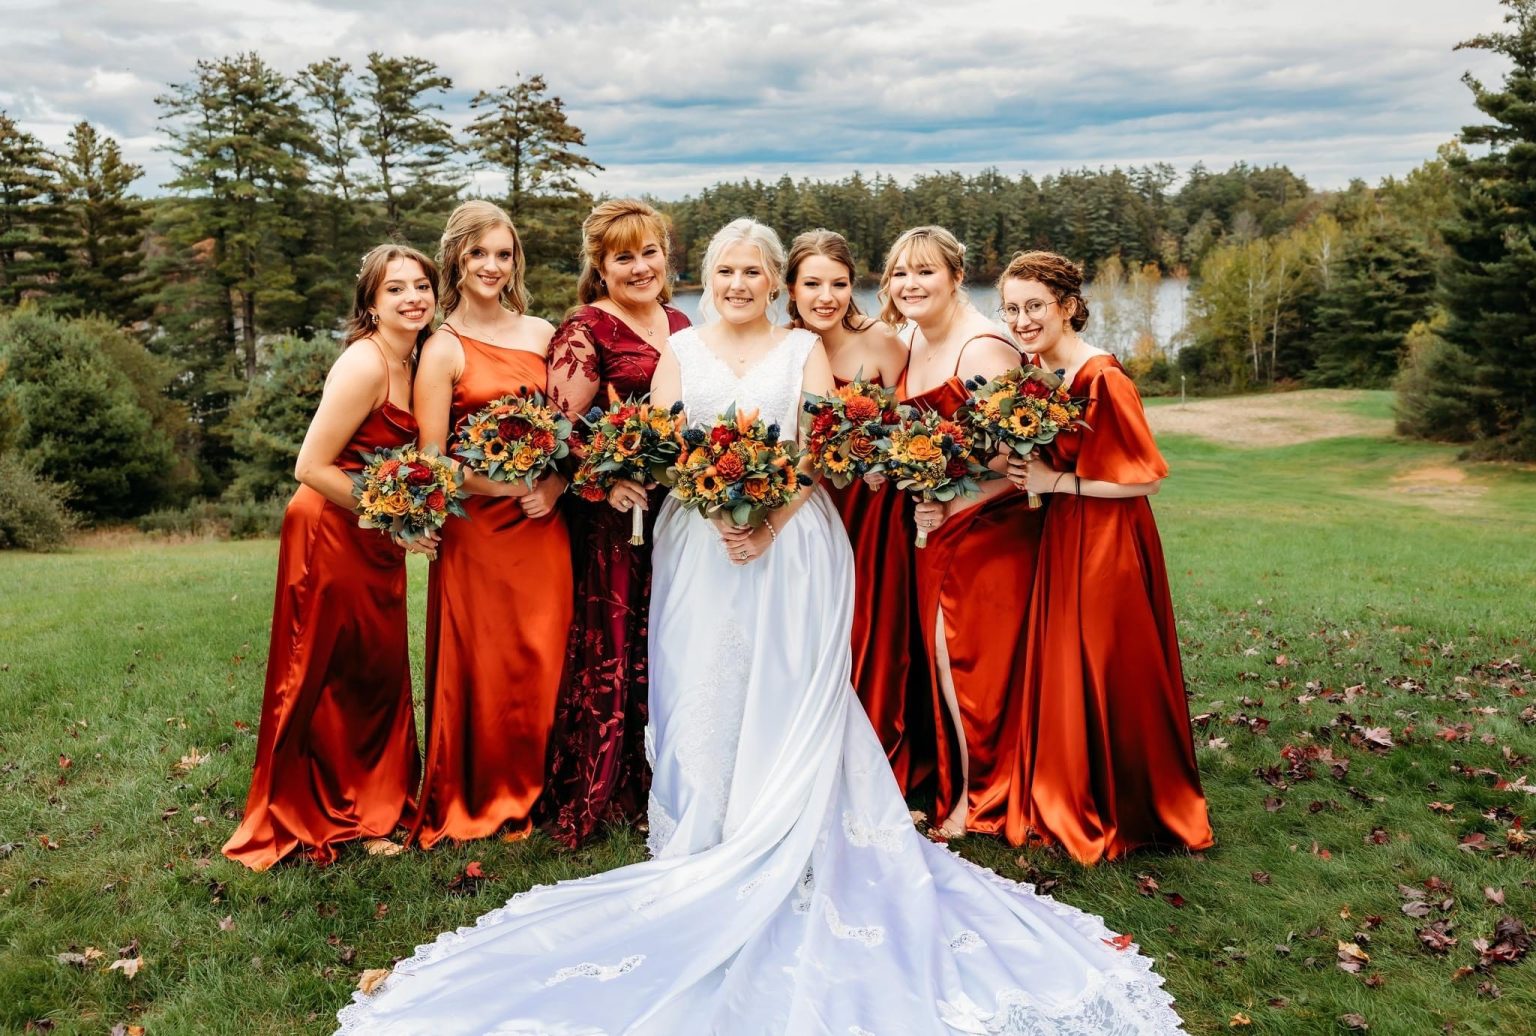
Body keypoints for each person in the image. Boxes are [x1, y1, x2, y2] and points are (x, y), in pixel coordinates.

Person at [336, 220, 1184, 1036]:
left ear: (774, 284)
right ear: (707, 281)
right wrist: (633, 480)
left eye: (753, 272)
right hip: (699, 544)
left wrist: (766, 521)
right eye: (725, 271)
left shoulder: (800, 349)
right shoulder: (680, 351)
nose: (739, 285)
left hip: (791, 543)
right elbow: (660, 445)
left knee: (784, 677)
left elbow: (816, 452)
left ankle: (793, 818)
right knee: (701, 676)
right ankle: (710, 823)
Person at [223, 244, 435, 871]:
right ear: (370, 303)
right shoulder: (364, 365)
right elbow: (310, 467)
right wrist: (395, 516)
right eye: (395, 289)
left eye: (420, 285)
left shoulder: (415, 356)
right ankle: (323, 807)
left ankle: (376, 799)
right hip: (329, 532)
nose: (412, 298)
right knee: (328, 669)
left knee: (375, 670)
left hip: (372, 537)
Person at [1000, 250, 1214, 863]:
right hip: (1066, 533)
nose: (1022, 319)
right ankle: (1073, 793)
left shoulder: (1102, 378)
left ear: (1068, 306)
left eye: (1035, 306)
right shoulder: (1037, 375)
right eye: (1012, 308)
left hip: (1109, 540)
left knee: (1106, 662)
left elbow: (1145, 478)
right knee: (1068, 661)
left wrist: (1054, 482)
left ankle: (1132, 808)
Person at [409, 200, 573, 849]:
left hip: (542, 526)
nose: (492, 266)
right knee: (489, 662)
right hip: (478, 531)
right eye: (479, 253)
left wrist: (555, 484)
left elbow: (572, 431)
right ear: (456, 257)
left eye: (503, 254)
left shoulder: (541, 333)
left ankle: (546, 789)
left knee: (547, 653)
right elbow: (432, 459)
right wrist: (503, 483)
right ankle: (484, 794)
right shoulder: (441, 348)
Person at [542, 199, 692, 847]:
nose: (640, 268)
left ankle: (671, 778)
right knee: (615, 642)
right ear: (600, 267)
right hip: (614, 517)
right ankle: (604, 785)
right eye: (623, 257)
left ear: (666, 255)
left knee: (673, 641)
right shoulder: (585, 328)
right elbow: (561, 429)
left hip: (684, 511)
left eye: (649, 252)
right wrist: (610, 475)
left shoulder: (684, 322)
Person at [887, 226, 1043, 840]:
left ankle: (982, 799)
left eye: (925, 272)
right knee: (941, 660)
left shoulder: (982, 348)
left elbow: (1017, 457)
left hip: (991, 532)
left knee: (969, 665)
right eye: (900, 273)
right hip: (941, 526)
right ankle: (963, 780)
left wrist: (952, 502)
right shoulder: (909, 341)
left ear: (956, 276)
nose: (910, 284)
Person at [785, 228, 928, 790]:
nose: (827, 296)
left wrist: (884, 456)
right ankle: (807, 762)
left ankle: (877, 767)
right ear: (790, 287)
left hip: (870, 512)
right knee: (807, 632)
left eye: (839, 284)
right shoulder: (781, 345)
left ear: (854, 285)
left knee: (869, 628)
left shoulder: (884, 345)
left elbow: (914, 428)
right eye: (813, 283)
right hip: (800, 506)